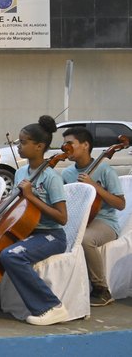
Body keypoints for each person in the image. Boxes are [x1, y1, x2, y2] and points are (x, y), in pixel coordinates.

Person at [0, 115, 69, 326]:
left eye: (23, 142)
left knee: (11, 255)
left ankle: (51, 306)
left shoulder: (51, 177)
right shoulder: (22, 172)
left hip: (49, 234)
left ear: (39, 146)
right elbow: (12, 205)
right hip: (24, 231)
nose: (18, 146)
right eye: (18, 141)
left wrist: (32, 196)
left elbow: (62, 218)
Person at [60, 126, 125, 307]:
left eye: (69, 143)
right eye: (63, 144)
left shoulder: (104, 170)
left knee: (84, 239)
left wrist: (94, 186)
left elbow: (120, 204)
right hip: (78, 220)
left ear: (85, 145)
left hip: (104, 222)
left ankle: (101, 289)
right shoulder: (67, 173)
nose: (65, 148)